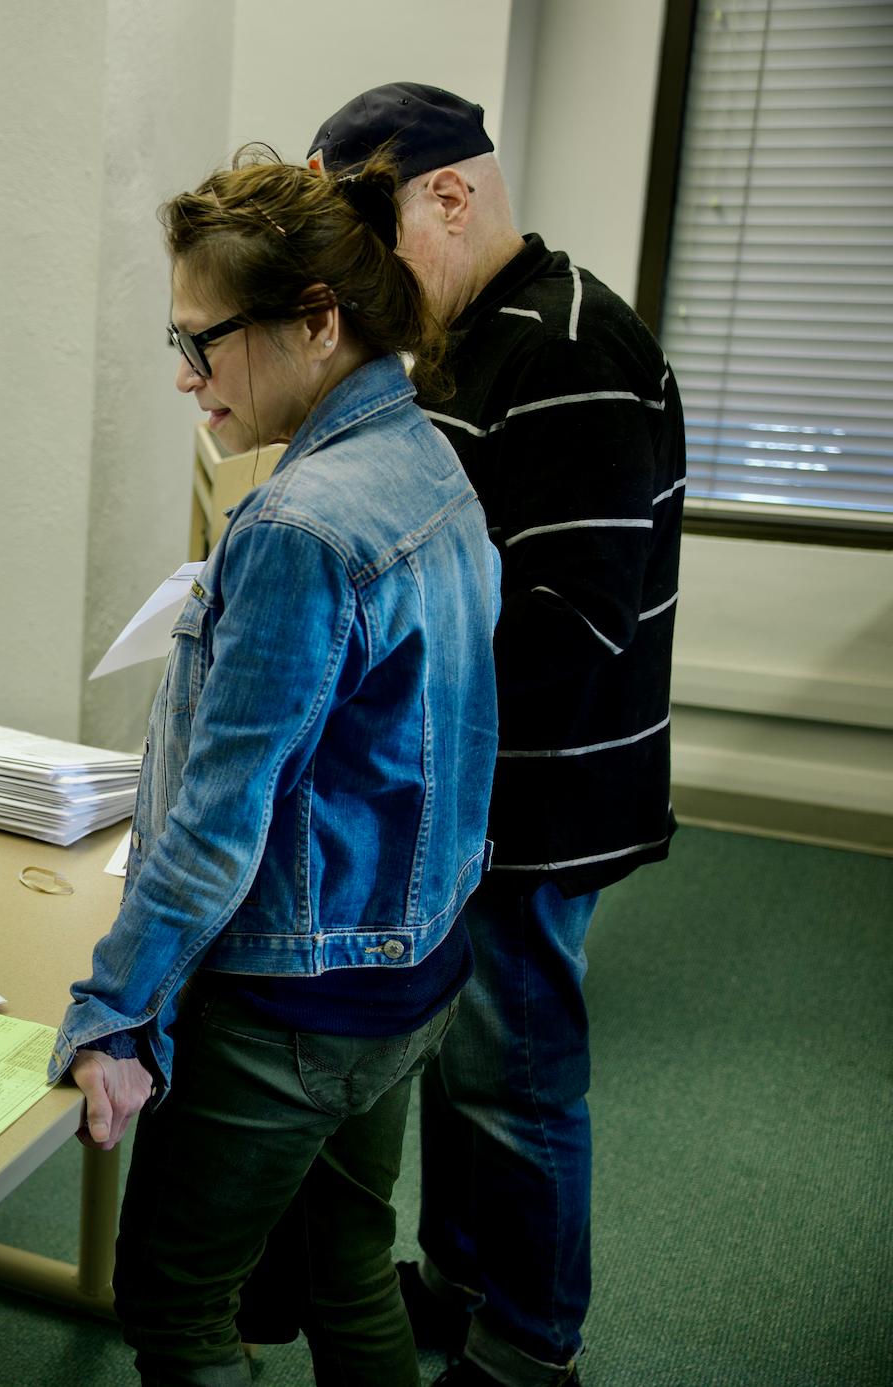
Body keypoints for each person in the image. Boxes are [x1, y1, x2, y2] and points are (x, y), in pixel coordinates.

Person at [51, 147, 501, 1387]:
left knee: (179, 1309)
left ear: (316, 320)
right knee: (349, 1261)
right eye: (175, 340)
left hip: (288, 1008)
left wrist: (118, 1006)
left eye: (204, 341)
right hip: (406, 973)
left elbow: (216, 820)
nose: (186, 379)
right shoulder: (428, 463)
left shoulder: (300, 526)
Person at [307, 84, 689, 1387]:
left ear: (448, 196)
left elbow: (568, 629)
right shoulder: (462, 337)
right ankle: (464, 1275)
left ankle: (529, 1348)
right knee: (455, 1064)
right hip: (456, 791)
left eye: (371, 233)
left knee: (517, 1082)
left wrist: (376, 678)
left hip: (532, 802)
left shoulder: (574, 353)